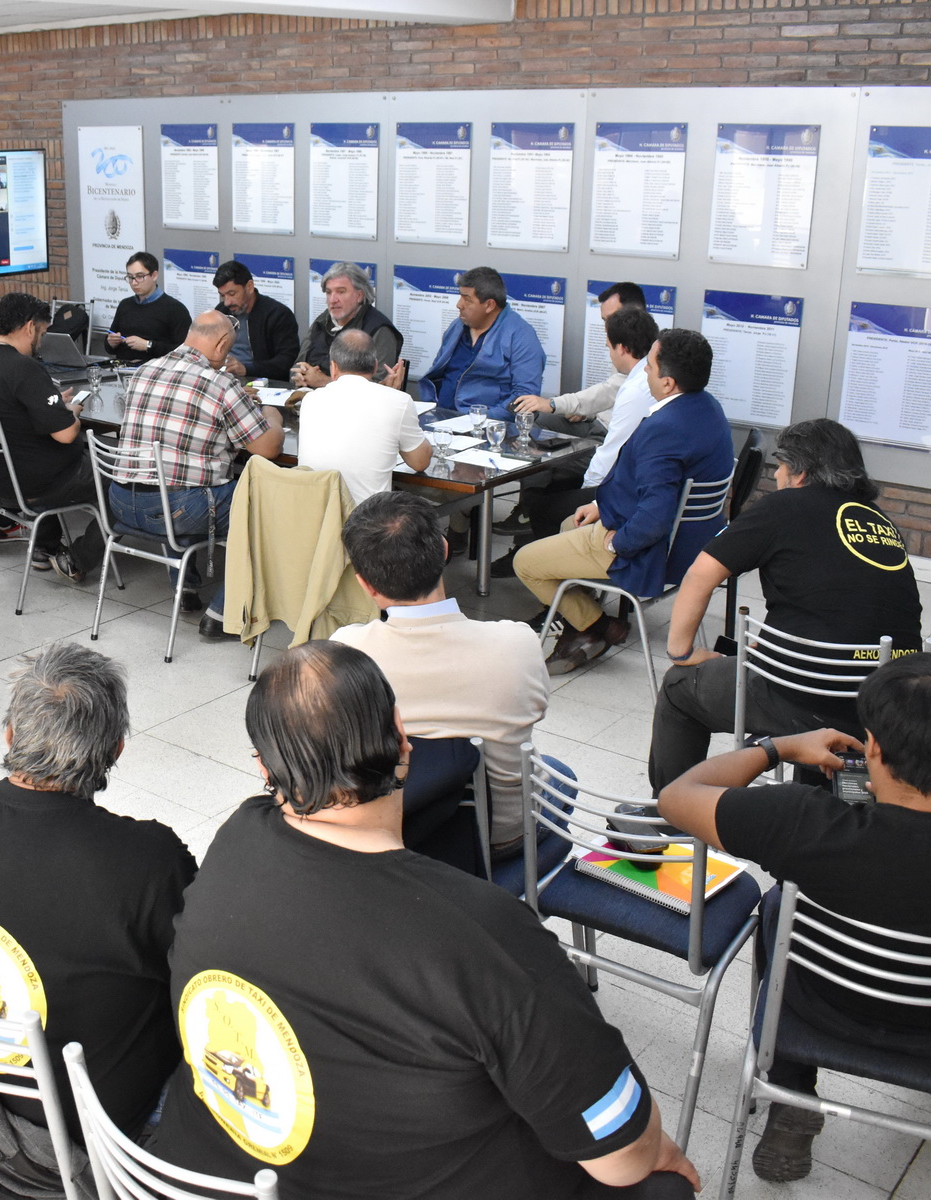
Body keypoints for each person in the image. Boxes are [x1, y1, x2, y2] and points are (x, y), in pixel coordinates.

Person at [148, 640, 699, 1200]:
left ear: (265, 767)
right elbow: (621, 1158)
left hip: (203, 1178)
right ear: (403, 742)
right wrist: (657, 1152)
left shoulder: (237, 835)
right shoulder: (483, 929)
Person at [657, 653, 931, 1184]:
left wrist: (779, 747)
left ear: (873, 747)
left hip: (820, 1013)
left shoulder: (803, 823)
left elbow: (676, 797)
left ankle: (790, 1090)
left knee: (778, 906)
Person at [0, 643, 196, 1148]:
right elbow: (201, 975)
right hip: (91, 1131)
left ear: (10, 734)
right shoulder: (149, 858)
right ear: (116, 749)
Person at [646, 418, 924, 793]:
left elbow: (699, 575)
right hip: (887, 704)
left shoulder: (783, 507)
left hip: (807, 697)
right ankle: (814, 801)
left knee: (680, 687)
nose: (776, 475)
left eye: (779, 465)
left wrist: (681, 652)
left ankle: (670, 810)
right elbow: (847, 604)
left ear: (800, 471)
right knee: (809, 677)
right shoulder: (880, 521)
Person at [331, 490, 547, 857]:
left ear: (365, 583)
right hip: (501, 837)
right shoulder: (519, 643)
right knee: (556, 773)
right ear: (444, 550)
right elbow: (534, 710)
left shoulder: (345, 652)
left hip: (396, 834)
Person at [514, 328, 733, 676]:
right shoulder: (708, 409)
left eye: (650, 366)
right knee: (570, 522)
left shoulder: (664, 427)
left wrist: (618, 544)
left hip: (652, 550)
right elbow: (656, 490)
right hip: (695, 544)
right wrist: (602, 506)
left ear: (668, 383)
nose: (644, 370)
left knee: (525, 562)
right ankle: (585, 627)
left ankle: (595, 627)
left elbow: (655, 516)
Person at [108, 310, 284, 635]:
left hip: (121, 501)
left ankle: (185, 586)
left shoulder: (144, 370)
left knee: (179, 478)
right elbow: (267, 448)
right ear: (221, 344)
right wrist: (271, 414)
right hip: (176, 510)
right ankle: (223, 613)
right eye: (228, 349)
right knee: (267, 503)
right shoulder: (221, 384)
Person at [491, 304, 660, 578]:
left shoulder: (636, 388)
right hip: (603, 437)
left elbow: (613, 450)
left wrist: (590, 492)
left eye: (608, 346)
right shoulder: (641, 375)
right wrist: (555, 405)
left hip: (616, 471)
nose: (608, 353)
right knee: (537, 425)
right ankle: (529, 513)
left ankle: (541, 556)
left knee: (545, 473)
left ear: (622, 348)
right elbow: (600, 395)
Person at [0, 292, 104, 583]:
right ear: (29, 327)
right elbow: (66, 434)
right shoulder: (23, 367)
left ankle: (45, 548)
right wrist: (71, 412)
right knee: (119, 484)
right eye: (42, 333)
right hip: (33, 484)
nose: (40, 342)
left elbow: (10, 414)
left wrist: (47, 403)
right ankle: (77, 559)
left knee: (38, 458)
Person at [295, 328, 430, 504]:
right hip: (366, 518)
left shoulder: (310, 400)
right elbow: (420, 462)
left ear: (333, 368)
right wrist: (393, 395)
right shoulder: (399, 402)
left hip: (315, 515)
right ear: (375, 366)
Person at [513, 281, 645, 436]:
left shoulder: (648, 352)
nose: (606, 328)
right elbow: (609, 400)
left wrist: (553, 404)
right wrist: (586, 413)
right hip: (596, 422)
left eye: (612, 319)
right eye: (605, 321)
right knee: (534, 418)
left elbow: (608, 391)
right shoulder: (621, 342)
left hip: (611, 434)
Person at [417, 266, 545, 419]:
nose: (459, 304)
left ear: (489, 305)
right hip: (439, 417)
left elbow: (524, 398)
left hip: (486, 424)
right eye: (460, 297)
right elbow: (437, 372)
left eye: (467, 299)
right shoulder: (457, 326)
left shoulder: (521, 336)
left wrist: (479, 420)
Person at [290, 262, 403, 389]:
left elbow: (381, 387)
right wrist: (300, 376)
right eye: (328, 292)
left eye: (341, 292)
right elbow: (297, 366)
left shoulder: (379, 330)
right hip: (309, 397)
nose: (332, 300)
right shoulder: (322, 320)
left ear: (359, 295)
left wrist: (324, 382)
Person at [212, 259, 300, 381]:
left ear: (249, 287)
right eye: (222, 295)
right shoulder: (221, 311)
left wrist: (247, 369)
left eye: (232, 294)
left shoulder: (278, 314)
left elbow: (286, 361)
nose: (227, 302)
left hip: (261, 381)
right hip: (224, 378)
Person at [105, 251, 192, 365]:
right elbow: (109, 347)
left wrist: (148, 345)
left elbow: (184, 352)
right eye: (130, 277)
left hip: (156, 369)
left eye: (140, 276)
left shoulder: (175, 309)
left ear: (154, 275)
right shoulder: (125, 305)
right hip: (122, 366)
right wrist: (111, 342)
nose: (134, 283)